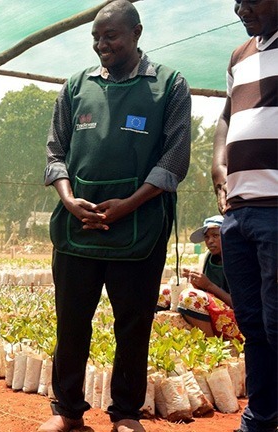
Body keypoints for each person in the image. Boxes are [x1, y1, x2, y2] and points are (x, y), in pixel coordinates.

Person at [40, 2, 191, 431]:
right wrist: (68, 199)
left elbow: (174, 159)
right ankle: (67, 411)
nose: (101, 45)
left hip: (139, 225)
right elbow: (56, 151)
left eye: (111, 36)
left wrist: (129, 204)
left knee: (133, 322)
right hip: (77, 225)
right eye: (96, 38)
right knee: (71, 320)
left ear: (137, 33)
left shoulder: (169, 86)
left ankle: (126, 413)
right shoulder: (76, 85)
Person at [212, 1, 278, 430]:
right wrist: (219, 166)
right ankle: (260, 416)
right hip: (238, 212)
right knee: (253, 323)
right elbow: (226, 118)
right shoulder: (241, 55)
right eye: (236, 0)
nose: (241, 8)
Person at [175, 216, 242, 340]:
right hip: (217, 316)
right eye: (207, 237)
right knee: (165, 295)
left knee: (191, 297)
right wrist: (197, 284)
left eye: (215, 236)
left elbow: (242, 305)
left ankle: (212, 345)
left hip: (242, 323)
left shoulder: (239, 261)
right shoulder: (208, 258)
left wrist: (209, 285)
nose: (210, 241)